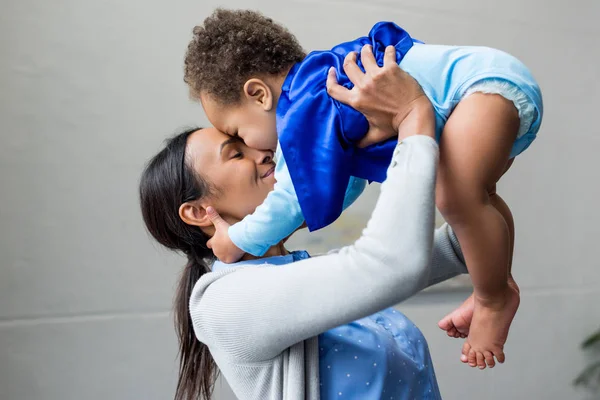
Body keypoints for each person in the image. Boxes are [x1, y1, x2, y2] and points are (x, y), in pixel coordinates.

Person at [183, 9, 543, 366]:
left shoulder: (303, 111)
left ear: (259, 94)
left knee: (456, 197)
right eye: (235, 149)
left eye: (237, 134)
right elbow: (346, 182)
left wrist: (239, 238)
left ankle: (493, 298)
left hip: (479, 91)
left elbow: (291, 198)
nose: (259, 153)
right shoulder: (319, 92)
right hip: (489, 83)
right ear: (196, 211)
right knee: (478, 197)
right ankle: (495, 286)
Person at [139, 62, 468, 399]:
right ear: (196, 212)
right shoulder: (224, 304)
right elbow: (393, 265)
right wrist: (413, 122)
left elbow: (456, 248)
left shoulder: (299, 271)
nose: (266, 151)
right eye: (236, 153)